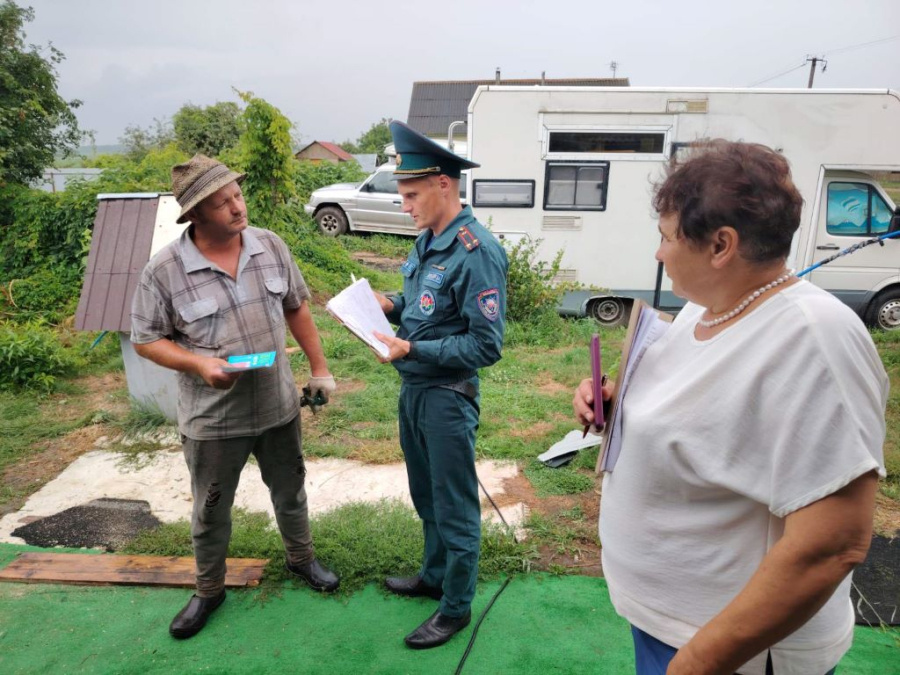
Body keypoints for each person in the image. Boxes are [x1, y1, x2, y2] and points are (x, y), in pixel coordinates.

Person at [573, 140, 887, 675]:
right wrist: (613, 399)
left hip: (731, 651)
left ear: (721, 244)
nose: (659, 253)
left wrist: (701, 660)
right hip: (671, 624)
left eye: (667, 237)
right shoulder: (706, 308)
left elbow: (833, 544)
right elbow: (709, 411)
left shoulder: (814, 339)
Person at [130, 155, 340, 640]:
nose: (236, 207)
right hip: (212, 420)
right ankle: (208, 589)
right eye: (222, 203)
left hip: (277, 406)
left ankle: (301, 559)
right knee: (211, 508)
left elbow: (297, 307)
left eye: (237, 196)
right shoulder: (163, 270)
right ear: (196, 215)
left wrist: (320, 369)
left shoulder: (270, 245)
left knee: (291, 491)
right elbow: (146, 339)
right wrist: (198, 363)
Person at [371, 121, 508, 650]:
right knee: (424, 494)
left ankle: (455, 607)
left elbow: (485, 345)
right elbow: (423, 304)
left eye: (410, 195)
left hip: (448, 397)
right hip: (415, 392)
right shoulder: (429, 239)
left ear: (443, 186)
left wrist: (415, 349)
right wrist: (389, 304)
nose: (404, 205)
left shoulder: (476, 250)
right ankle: (433, 576)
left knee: (454, 506)